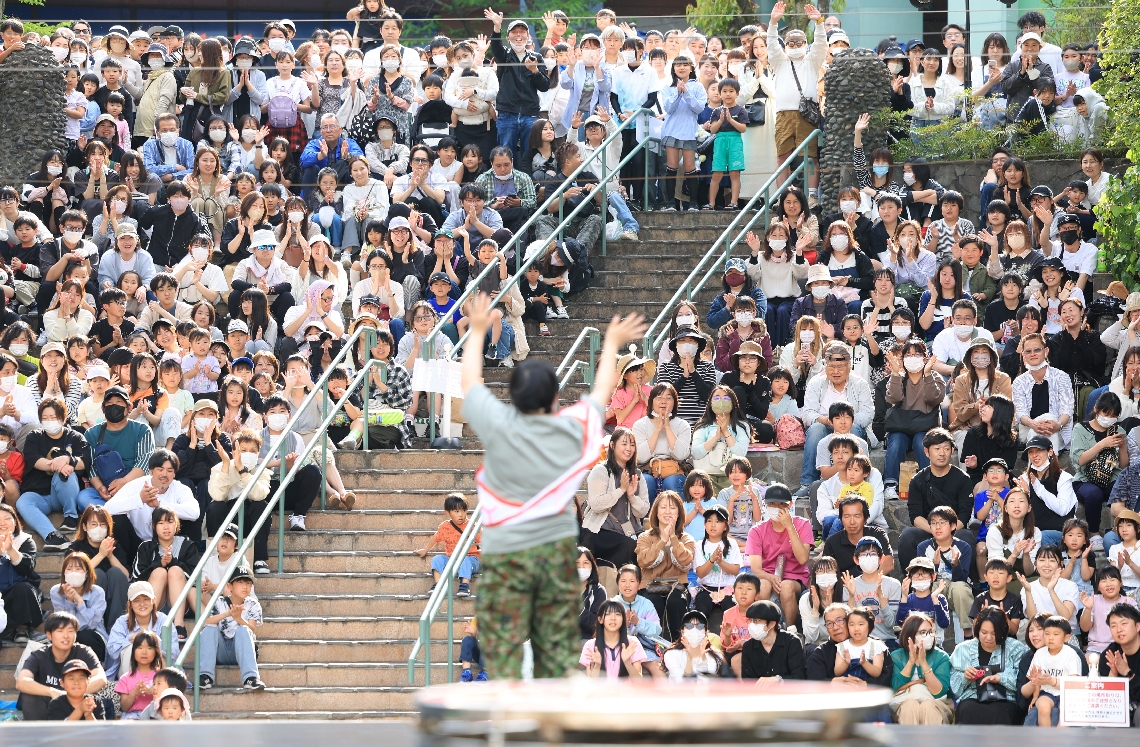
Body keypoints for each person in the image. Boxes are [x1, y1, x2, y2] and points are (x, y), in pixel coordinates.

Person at [457, 290, 643, 678]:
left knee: (505, 661)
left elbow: (470, 381)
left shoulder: (499, 424)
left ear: (512, 396)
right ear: (557, 399)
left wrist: (477, 331)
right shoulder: (569, 428)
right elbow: (601, 391)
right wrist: (610, 344)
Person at [797, 341, 873, 497]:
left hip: (851, 426)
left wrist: (844, 421)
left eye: (841, 366)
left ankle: (855, 482)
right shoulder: (816, 383)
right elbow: (807, 413)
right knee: (815, 429)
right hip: (825, 425)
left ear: (849, 366)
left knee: (855, 431)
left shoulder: (860, 384)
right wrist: (825, 420)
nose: (836, 371)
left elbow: (867, 413)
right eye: (831, 366)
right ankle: (808, 483)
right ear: (825, 367)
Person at [767, 1, 825, 201]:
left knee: (810, 158)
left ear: (805, 45)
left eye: (799, 43)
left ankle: (811, 197)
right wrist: (773, 22)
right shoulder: (779, 60)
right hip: (783, 114)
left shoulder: (812, 61)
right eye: (790, 43)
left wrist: (819, 24)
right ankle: (783, 197)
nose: (794, 46)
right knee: (783, 157)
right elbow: (772, 46)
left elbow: (820, 46)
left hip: (806, 114)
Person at [16, 397, 91, 552]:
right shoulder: (34, 436)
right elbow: (34, 459)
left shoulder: (75, 436)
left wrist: (68, 460)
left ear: (62, 418)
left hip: (63, 494)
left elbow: (85, 461)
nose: (49, 421)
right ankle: (52, 536)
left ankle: (71, 517)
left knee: (66, 473)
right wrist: (59, 464)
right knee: (22, 502)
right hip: (40, 495)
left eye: (53, 417)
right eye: (45, 418)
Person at [898, 428, 977, 570]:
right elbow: (915, 516)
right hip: (928, 530)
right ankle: (913, 581)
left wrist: (946, 531)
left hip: (954, 530)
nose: (942, 453)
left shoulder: (963, 479)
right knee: (907, 536)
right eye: (937, 449)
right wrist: (936, 530)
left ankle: (965, 581)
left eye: (946, 448)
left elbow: (964, 515)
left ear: (952, 451)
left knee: (966, 536)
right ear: (926, 452)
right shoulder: (918, 480)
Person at [15, 611, 107, 721]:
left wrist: (70, 694)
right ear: (49, 635)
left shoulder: (84, 652)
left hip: (76, 702)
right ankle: (38, 735)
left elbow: (101, 678)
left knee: (97, 700)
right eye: (60, 631)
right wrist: (52, 691)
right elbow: (22, 681)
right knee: (30, 697)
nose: (66, 636)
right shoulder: (39, 655)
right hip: (49, 702)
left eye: (70, 631)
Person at [883, 338, 946, 498]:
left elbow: (934, 399)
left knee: (921, 441)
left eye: (917, 354)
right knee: (896, 441)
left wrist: (927, 374)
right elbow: (893, 398)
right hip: (901, 427)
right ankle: (890, 484)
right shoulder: (899, 377)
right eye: (908, 355)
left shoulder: (935, 377)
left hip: (924, 428)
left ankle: (928, 483)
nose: (912, 358)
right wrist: (896, 373)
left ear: (925, 358)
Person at [582, 425, 649, 568]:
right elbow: (596, 504)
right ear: (612, 445)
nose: (629, 448)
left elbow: (643, 510)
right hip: (602, 531)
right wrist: (621, 490)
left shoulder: (637, 474)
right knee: (629, 545)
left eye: (632, 445)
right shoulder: (601, 470)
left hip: (630, 530)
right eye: (624, 444)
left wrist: (631, 496)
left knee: (645, 546)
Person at [635, 490, 695, 642]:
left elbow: (685, 562)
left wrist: (673, 538)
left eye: (673, 507)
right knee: (652, 601)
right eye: (663, 507)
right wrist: (662, 540)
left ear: (680, 512)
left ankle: (679, 644)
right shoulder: (645, 537)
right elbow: (644, 561)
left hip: (677, 586)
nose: (668, 511)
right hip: (650, 585)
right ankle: (652, 645)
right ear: (656, 512)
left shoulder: (687, 538)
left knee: (676, 601)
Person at [950, 607, 1028, 724]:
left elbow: (1022, 684)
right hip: (972, 698)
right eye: (984, 632)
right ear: (977, 629)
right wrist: (965, 677)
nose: (989, 638)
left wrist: (1000, 678)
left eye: (994, 633)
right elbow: (955, 689)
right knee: (967, 709)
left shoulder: (1016, 648)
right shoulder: (962, 649)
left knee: (1001, 712)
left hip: (1006, 701)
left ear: (1003, 630)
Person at [198, 565, 265, 691]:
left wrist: (238, 618)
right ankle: (205, 675)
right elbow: (205, 622)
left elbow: (253, 630)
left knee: (244, 629)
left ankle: (251, 678)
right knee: (210, 628)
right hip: (221, 651)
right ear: (229, 586)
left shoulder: (253, 604)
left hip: (241, 651)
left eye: (248, 583)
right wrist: (228, 614)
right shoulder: (219, 602)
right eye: (240, 582)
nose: (245, 586)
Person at [915, 506, 976, 638]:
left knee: (960, 588)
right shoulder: (924, 547)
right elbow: (922, 578)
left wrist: (956, 564)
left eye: (942, 523)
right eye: (934, 523)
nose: (937, 527)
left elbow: (962, 578)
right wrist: (935, 566)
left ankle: (968, 632)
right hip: (936, 585)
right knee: (929, 590)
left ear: (953, 526)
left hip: (955, 587)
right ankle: (927, 632)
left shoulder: (963, 547)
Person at [1012, 333, 1074, 451]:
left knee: (1049, 420)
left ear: (1046, 351)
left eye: (1037, 350)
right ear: (1023, 355)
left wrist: (1058, 425)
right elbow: (1021, 413)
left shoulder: (1062, 377)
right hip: (1029, 429)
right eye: (1028, 351)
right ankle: (1051, 467)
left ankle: (1036, 467)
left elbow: (1067, 409)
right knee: (1045, 425)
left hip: (1057, 429)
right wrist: (1034, 424)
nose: (1033, 354)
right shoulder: (1019, 382)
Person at [889, 612, 954, 724]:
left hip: (935, 702)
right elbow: (894, 688)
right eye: (923, 633)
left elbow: (938, 692)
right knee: (910, 705)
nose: (929, 636)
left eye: (930, 632)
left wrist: (924, 663)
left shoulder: (941, 656)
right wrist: (910, 662)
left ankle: (931, 741)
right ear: (910, 635)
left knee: (927, 706)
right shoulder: (896, 656)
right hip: (904, 702)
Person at [632, 383, 692, 503]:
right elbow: (640, 457)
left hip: (675, 468)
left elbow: (681, 455)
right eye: (659, 397)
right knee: (646, 481)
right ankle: (646, 521)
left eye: (668, 398)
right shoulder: (640, 425)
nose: (663, 401)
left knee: (671, 482)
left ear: (674, 402)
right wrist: (657, 430)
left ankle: (679, 521)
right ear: (651, 402)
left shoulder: (682, 425)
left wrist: (668, 428)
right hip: (647, 468)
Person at [414, 493, 480, 597]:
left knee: (465, 560)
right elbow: (436, 538)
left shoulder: (473, 526)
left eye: (464, 510)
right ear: (448, 513)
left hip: (471, 560)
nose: (461, 514)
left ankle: (464, 585)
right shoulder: (445, 527)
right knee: (437, 559)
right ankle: (438, 584)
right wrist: (425, 550)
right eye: (456, 511)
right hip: (452, 560)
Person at [1021, 614, 1082, 726]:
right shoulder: (1039, 653)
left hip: (1067, 694)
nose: (1050, 638)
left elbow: (1074, 684)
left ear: (1066, 637)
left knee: (1066, 709)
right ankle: (1047, 738)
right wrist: (1035, 696)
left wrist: (1051, 681)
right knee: (1043, 706)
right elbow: (1037, 681)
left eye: (1056, 634)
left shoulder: (1071, 654)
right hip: (1046, 693)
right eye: (1047, 633)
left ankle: (1059, 738)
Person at [49, 551, 107, 661]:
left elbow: (90, 624)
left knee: (84, 636)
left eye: (78, 569)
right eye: (69, 569)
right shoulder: (56, 591)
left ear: (86, 573)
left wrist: (80, 601)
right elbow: (62, 623)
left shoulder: (98, 592)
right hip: (66, 633)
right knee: (65, 637)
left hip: (94, 634)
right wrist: (70, 602)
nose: (73, 573)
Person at [740, 599, 805, 682]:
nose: (752, 625)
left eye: (756, 621)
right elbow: (747, 681)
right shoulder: (748, 647)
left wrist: (777, 681)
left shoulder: (792, 642)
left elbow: (799, 677)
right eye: (750, 621)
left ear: (772, 624)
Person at [1096, 602, 1140, 724]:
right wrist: (1113, 674)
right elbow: (1105, 700)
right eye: (1113, 626)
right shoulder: (1108, 654)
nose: (1119, 630)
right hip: (1120, 711)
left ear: (1138, 626)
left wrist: (1127, 673)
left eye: (1124, 623)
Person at [1018, 544, 1080, 629]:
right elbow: (1033, 619)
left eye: (1052, 560)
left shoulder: (1070, 586)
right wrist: (1028, 591)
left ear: (1060, 564)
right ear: (1036, 563)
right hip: (1039, 634)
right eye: (1042, 560)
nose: (1046, 565)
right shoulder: (1028, 587)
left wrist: (1051, 590)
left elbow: (1065, 617)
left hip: (1064, 634)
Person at [580, 599, 645, 678]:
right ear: (600, 619)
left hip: (627, 690)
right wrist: (597, 665)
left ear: (623, 619)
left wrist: (627, 662)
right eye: (608, 614)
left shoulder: (632, 643)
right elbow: (591, 685)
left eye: (618, 614)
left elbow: (639, 683)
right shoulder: (590, 645)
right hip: (603, 690)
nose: (613, 618)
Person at [663, 609, 725, 680]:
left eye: (700, 626)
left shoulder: (716, 656)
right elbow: (680, 683)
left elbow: (706, 681)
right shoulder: (671, 654)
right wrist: (689, 658)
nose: (694, 630)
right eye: (689, 626)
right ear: (682, 632)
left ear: (705, 632)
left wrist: (703, 659)